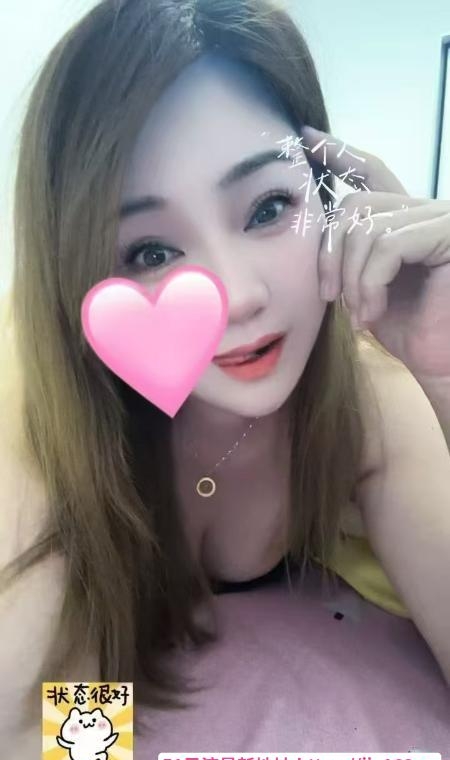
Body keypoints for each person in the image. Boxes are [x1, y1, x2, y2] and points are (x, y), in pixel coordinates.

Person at [1, 0, 449, 755]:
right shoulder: (41, 428)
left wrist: (444, 369)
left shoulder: (367, 392)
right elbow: (62, 736)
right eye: (149, 252)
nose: (238, 296)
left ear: (330, 196)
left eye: (269, 207)